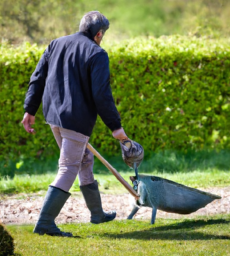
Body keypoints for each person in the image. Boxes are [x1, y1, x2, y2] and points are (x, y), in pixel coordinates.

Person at [21, 11, 143, 237]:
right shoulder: (97, 54)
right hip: (75, 119)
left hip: (53, 116)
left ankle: (97, 214)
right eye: (103, 34)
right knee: (68, 167)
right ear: (98, 34)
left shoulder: (55, 44)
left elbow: (37, 77)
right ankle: (45, 223)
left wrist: (30, 109)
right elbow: (102, 94)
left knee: (84, 160)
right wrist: (116, 127)